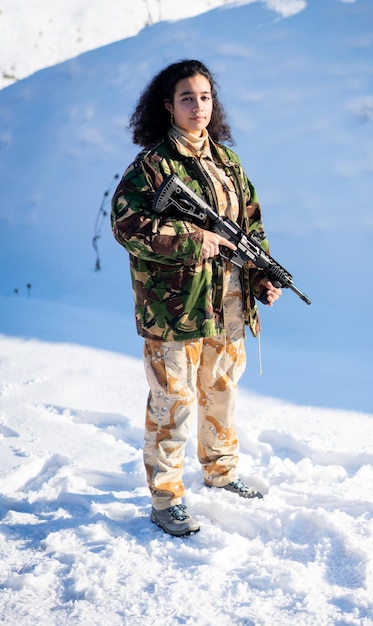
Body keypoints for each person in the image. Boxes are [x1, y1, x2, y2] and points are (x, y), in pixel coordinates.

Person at [111, 59, 282, 537]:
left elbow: (250, 227)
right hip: (173, 308)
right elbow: (128, 227)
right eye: (187, 97)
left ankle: (221, 472)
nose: (198, 106)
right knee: (174, 402)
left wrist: (263, 275)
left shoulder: (227, 162)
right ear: (168, 106)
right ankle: (166, 498)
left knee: (222, 391)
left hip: (226, 302)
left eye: (205, 97)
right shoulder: (151, 167)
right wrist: (192, 239)